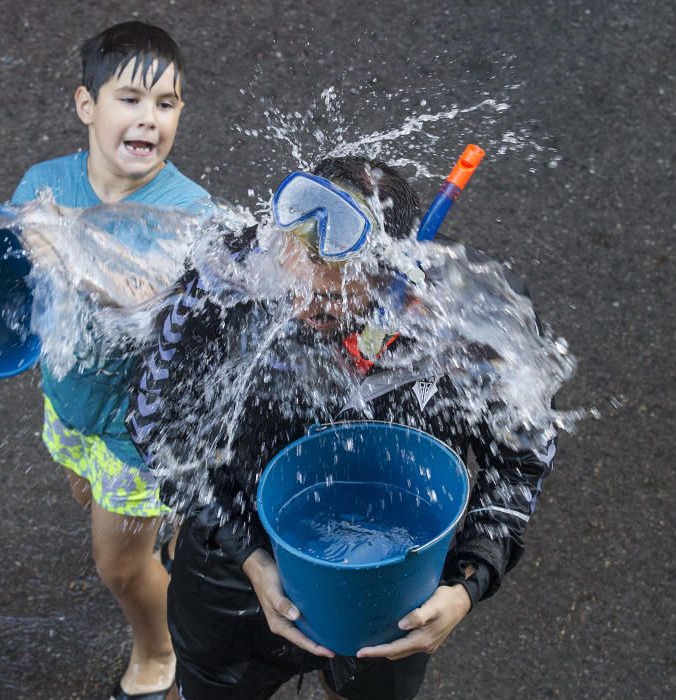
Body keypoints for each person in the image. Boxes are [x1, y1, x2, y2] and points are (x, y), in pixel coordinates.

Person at [126, 156, 556, 699]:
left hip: (391, 591)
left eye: (330, 299)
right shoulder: (230, 282)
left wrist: (469, 583)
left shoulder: (462, 319)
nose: (304, 304)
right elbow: (155, 426)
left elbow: (523, 455)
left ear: (391, 273)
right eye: (294, 283)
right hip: (234, 579)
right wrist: (250, 556)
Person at [0, 22, 209, 700]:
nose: (149, 119)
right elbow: (15, 291)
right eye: (131, 98)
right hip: (71, 403)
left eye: (168, 104)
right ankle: (169, 528)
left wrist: (69, 255)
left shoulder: (189, 214)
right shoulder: (44, 186)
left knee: (119, 566)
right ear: (85, 105)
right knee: (81, 486)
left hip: (144, 433)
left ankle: (161, 654)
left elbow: (149, 302)